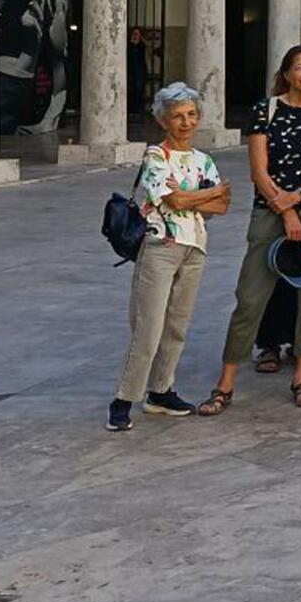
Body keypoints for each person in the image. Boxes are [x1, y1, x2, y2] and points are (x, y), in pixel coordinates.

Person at [197, 45, 301, 416]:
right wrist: (286, 211)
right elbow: (259, 171)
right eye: (299, 67)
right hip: (270, 213)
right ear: (285, 73)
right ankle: (226, 382)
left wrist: (296, 198)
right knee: (250, 298)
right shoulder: (265, 111)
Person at [110, 83, 227, 431]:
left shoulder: (203, 160)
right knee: (148, 328)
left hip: (195, 247)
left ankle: (161, 391)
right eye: (177, 116)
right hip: (161, 248)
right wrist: (208, 192)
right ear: (163, 120)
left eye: (191, 115)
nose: (186, 122)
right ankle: (123, 398)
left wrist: (204, 195)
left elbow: (221, 206)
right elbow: (172, 201)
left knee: (177, 325)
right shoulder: (155, 156)